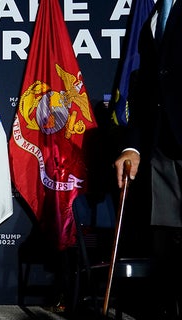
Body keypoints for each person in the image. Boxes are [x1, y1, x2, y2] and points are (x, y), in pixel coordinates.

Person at [114, 0, 181, 318]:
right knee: (165, 243)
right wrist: (133, 147)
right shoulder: (152, 18)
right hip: (160, 151)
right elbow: (145, 92)